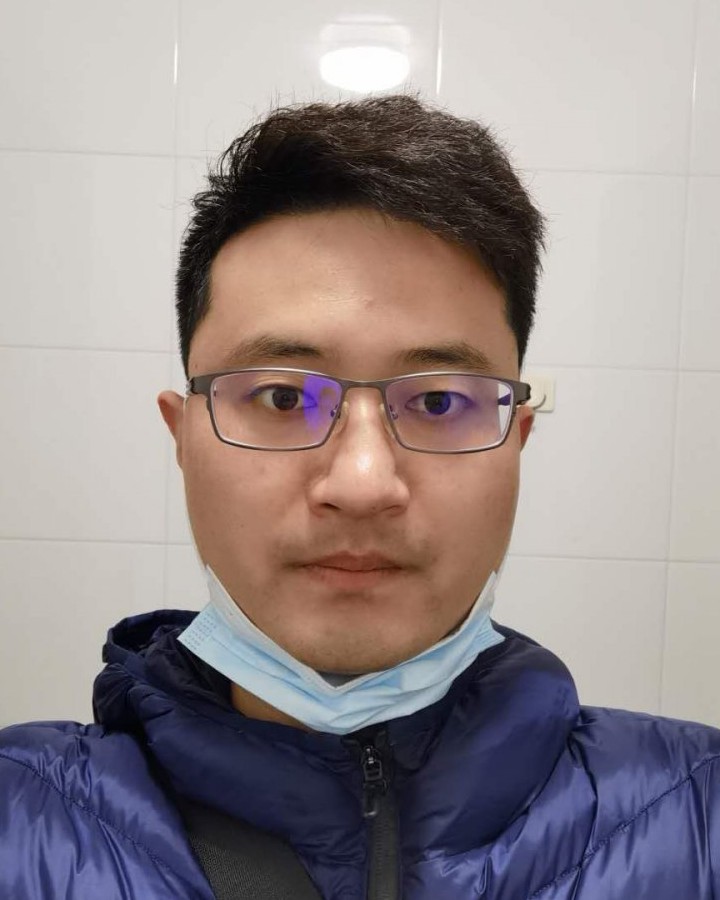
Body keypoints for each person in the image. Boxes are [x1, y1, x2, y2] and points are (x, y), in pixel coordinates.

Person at [0, 94, 718, 900]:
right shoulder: (22, 825)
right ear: (183, 437)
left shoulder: (697, 814)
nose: (363, 483)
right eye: (281, 396)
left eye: (439, 400)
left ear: (516, 441)